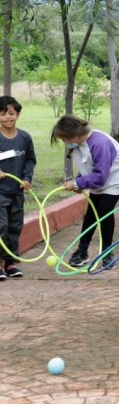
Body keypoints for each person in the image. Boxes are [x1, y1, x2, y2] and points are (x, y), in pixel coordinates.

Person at [51, 115, 119, 269]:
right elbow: (87, 166)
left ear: (74, 135)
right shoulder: (78, 144)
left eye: (65, 139)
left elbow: (101, 177)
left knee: (104, 211)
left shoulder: (99, 143)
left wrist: (77, 183)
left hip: (116, 176)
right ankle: (82, 251)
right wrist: (79, 183)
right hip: (100, 176)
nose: (65, 143)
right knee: (92, 211)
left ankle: (107, 252)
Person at [0, 96, 36, 279]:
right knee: (1, 225)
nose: (8, 117)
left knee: (15, 226)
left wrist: (27, 178)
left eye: (11, 113)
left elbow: (30, 160)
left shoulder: (24, 138)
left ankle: (10, 263)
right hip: (0, 192)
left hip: (17, 191)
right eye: (3, 113)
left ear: (18, 114)